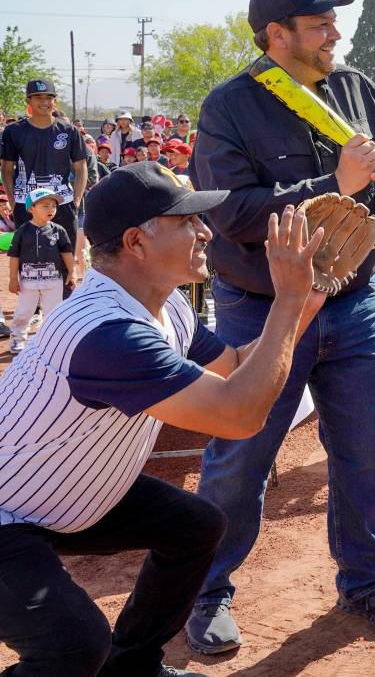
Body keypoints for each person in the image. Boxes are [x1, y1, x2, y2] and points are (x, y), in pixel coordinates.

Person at [0, 162, 325, 677]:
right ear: (136, 241)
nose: (205, 231)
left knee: (194, 527)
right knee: (73, 648)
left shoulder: (164, 305)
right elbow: (238, 415)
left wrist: (303, 303)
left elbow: (237, 368)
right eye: (186, 221)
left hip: (62, 495)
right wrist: (284, 299)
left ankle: (133, 669)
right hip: (7, 515)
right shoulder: (107, 334)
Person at [188, 0, 375, 653]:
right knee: (238, 455)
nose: (335, 32)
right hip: (264, 311)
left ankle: (362, 582)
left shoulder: (356, 87)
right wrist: (334, 183)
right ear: (278, 34)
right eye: (320, 22)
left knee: (365, 452)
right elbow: (232, 212)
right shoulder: (229, 106)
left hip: (354, 306)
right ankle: (205, 591)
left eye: (333, 21)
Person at [0, 79, 87, 247]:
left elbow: (81, 168)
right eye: (38, 97)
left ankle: (68, 274)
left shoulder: (69, 131)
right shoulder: (13, 131)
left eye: (49, 97)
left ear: (55, 100)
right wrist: (12, 201)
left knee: (65, 257)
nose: (44, 102)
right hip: (26, 203)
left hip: (62, 203)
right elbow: (6, 169)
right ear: (28, 101)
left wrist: (75, 202)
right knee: (29, 257)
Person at [6, 188, 75, 353]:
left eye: (54, 206)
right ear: (31, 209)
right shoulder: (22, 231)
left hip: (54, 280)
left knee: (53, 311)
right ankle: (18, 338)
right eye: (45, 205)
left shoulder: (59, 230)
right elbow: (14, 256)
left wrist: (72, 272)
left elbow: (66, 252)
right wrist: (13, 279)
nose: (51, 209)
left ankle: (53, 339)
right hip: (28, 281)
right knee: (24, 311)